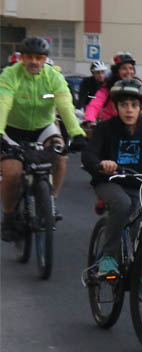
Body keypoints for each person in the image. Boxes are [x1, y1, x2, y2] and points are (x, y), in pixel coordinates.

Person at [0, 37, 87, 240]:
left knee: (61, 157)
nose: (34, 62)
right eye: (29, 57)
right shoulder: (10, 75)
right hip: (13, 129)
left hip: (43, 127)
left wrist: (76, 133)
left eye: (39, 58)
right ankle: (9, 215)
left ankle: (51, 202)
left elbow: (65, 106)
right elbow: (3, 103)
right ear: (22, 58)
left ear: (44, 59)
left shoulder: (54, 77)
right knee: (12, 172)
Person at [81, 78, 142, 277]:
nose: (129, 110)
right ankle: (108, 257)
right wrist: (101, 164)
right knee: (121, 204)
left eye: (134, 105)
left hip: (138, 184)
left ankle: (141, 277)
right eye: (124, 105)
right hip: (108, 181)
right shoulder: (106, 128)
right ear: (116, 106)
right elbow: (89, 154)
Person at [85, 53, 142, 125]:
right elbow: (95, 104)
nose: (128, 71)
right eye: (124, 68)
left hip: (134, 125)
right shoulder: (108, 86)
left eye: (131, 68)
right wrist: (89, 120)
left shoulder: (140, 85)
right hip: (111, 126)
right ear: (116, 71)